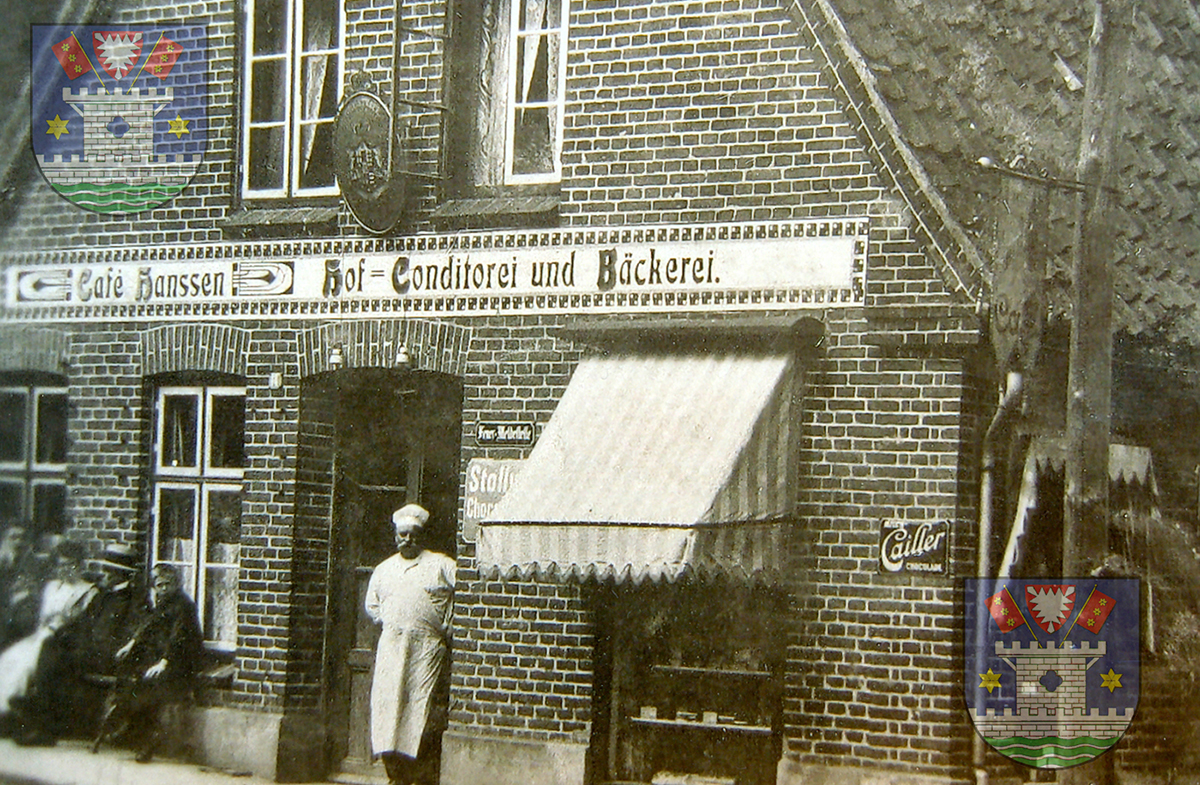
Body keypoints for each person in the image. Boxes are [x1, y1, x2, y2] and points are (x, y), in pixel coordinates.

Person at [13, 542, 146, 744]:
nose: (104, 575)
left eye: (109, 572)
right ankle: (39, 718)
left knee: (56, 662)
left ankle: (43, 723)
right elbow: (80, 623)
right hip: (89, 653)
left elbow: (134, 635)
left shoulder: (135, 600)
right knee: (50, 647)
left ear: (120, 574)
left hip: (109, 658)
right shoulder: (102, 596)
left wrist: (106, 649)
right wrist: (61, 635)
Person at [365, 503, 455, 785]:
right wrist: (391, 621)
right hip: (392, 646)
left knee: (419, 711)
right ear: (395, 537)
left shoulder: (440, 564)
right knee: (388, 708)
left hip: (426, 650)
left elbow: (467, 588)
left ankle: (420, 777)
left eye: (414, 534)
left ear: (422, 535)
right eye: (403, 534)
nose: (408, 540)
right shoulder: (384, 569)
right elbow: (372, 605)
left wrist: (447, 623)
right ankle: (396, 775)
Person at [92, 563, 203, 763]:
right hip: (161, 659)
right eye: (159, 585)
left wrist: (164, 662)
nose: (163, 589)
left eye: (167, 584)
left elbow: (179, 638)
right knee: (129, 676)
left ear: (176, 584)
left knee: (149, 690)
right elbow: (148, 625)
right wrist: (131, 644)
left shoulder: (184, 606)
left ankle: (147, 742)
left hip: (179, 664)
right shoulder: (163, 603)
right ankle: (123, 720)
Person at [0, 539, 95, 732]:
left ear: (80, 565)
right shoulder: (52, 587)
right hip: (41, 635)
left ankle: (18, 717)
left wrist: (61, 621)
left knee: (26, 667)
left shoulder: (87, 590)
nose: (65, 570)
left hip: (62, 639)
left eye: (70, 565)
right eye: (61, 565)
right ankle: (5, 715)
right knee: (9, 660)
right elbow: (41, 616)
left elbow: (79, 622)